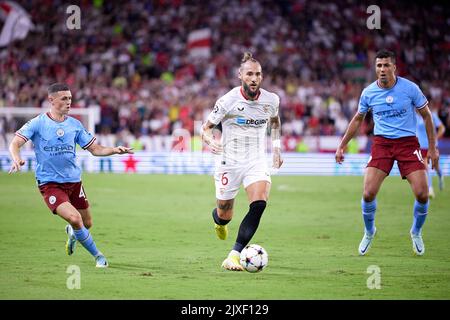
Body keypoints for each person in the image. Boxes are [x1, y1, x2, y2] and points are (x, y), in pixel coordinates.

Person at [8, 83, 133, 268]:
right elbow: (15, 143)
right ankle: (99, 257)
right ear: (52, 100)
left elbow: (95, 149)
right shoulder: (38, 123)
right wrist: (17, 158)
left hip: (74, 181)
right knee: (76, 219)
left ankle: (73, 234)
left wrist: (114, 150)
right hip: (50, 183)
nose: (69, 102)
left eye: (70, 99)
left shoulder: (75, 124)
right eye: (64, 98)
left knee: (87, 223)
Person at [335, 50, 439, 256]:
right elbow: (358, 119)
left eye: (386, 65)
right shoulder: (369, 92)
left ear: (394, 68)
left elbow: (427, 116)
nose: (382, 69)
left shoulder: (410, 89)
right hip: (382, 144)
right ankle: (369, 231)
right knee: (368, 192)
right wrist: (342, 145)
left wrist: (433, 148)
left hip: (408, 144)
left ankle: (416, 232)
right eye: (379, 66)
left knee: (422, 193)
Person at [201, 52, 283, 271]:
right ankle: (219, 222)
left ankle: (234, 255)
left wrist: (276, 149)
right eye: (249, 74)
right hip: (229, 162)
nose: (254, 78)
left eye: (258, 74)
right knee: (224, 214)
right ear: (240, 76)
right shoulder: (227, 101)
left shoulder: (271, 100)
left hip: (256, 161)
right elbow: (206, 128)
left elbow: (274, 123)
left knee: (259, 204)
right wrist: (210, 141)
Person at [416, 105, 445, 198]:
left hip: (431, 146)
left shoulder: (431, 115)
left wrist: (435, 138)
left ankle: (441, 176)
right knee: (425, 167)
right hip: (421, 147)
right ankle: (430, 189)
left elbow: (442, 128)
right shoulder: (415, 117)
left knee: (436, 167)